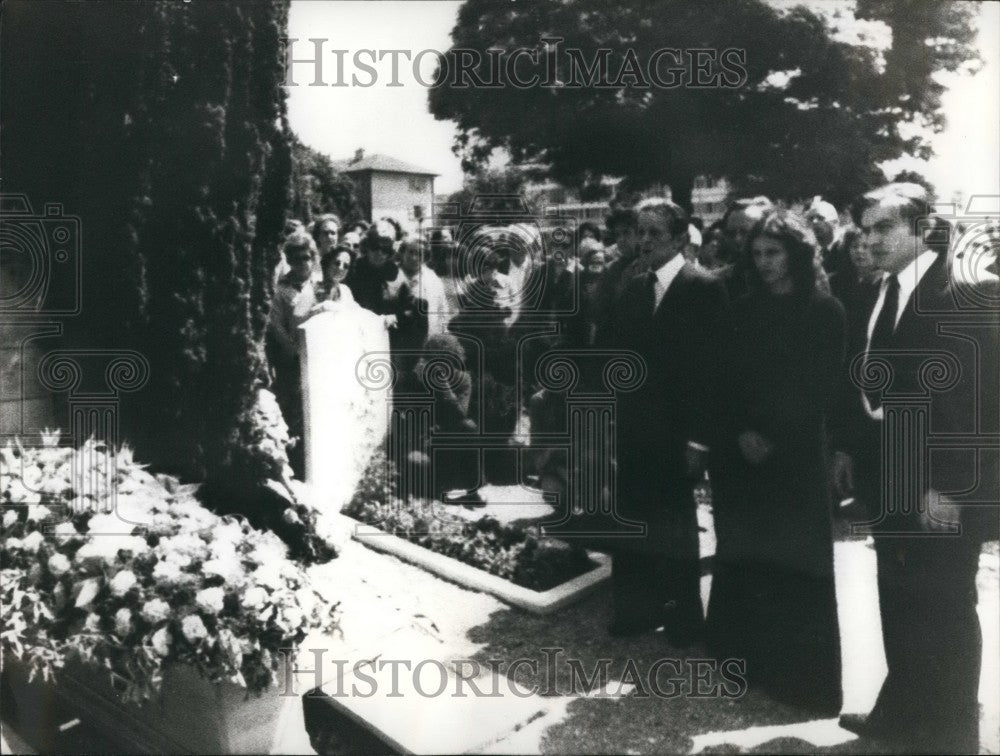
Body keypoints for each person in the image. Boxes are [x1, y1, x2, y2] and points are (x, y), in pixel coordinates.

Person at [832, 183, 999, 753]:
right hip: (891, 473)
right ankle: (903, 712)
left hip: (939, 482)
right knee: (899, 596)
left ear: (921, 228)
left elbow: (979, 401)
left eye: (882, 227)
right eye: (864, 229)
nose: (868, 239)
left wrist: (949, 488)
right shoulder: (881, 289)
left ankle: (951, 734)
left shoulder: (966, 290)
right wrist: (851, 449)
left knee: (945, 603)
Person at [705, 209, 845, 715]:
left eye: (774, 253)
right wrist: (741, 432)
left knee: (794, 562)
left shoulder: (824, 311)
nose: (764, 263)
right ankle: (743, 662)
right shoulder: (738, 310)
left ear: (798, 255)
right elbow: (720, 381)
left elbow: (820, 389)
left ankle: (800, 680)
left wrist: (772, 437)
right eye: (757, 254)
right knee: (743, 553)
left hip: (794, 458)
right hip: (741, 456)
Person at [603, 198, 730, 646]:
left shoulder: (704, 288)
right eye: (641, 231)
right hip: (635, 428)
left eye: (655, 233)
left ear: (680, 238)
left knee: (674, 525)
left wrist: (700, 442)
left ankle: (682, 619)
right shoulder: (634, 287)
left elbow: (713, 374)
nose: (644, 241)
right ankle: (636, 610)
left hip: (678, 432)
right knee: (633, 520)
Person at [266, 231, 320, 477]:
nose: (302, 263)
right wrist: (295, 351)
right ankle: (296, 468)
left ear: (314, 257)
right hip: (292, 363)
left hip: (321, 362)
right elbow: (275, 326)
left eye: (306, 257)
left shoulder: (321, 285)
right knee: (295, 416)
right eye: (296, 258)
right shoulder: (281, 290)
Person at [398, 238, 451, 336]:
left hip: (427, 340)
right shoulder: (392, 275)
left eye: (419, 254)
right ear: (402, 252)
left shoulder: (433, 279)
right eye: (410, 252)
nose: (414, 257)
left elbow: (442, 310)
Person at [806, 197, 848, 276]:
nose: (814, 222)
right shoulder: (813, 253)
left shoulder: (844, 248)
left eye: (820, 218)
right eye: (811, 219)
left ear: (834, 222)